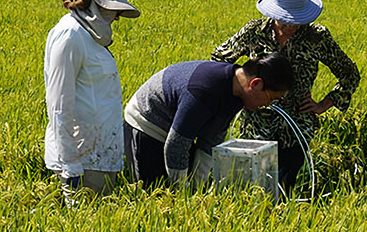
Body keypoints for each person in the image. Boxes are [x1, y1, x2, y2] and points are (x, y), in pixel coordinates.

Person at [211, 0, 360, 190]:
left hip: (297, 126)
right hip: (256, 126)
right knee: (252, 186)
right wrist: (242, 93)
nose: (291, 25)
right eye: (286, 20)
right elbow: (218, 61)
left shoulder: (317, 37)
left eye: (297, 20)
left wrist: (324, 104)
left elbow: (349, 73)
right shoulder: (254, 32)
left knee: (283, 187)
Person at [44, 0, 140, 206]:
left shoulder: (91, 37)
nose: (117, 17)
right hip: (80, 159)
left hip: (100, 156)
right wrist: (71, 168)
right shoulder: (70, 36)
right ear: (95, 3)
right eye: (113, 9)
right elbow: (58, 106)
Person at [123, 52, 294, 187]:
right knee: (155, 191)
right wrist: (182, 192)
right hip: (147, 122)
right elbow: (176, 145)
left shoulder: (237, 93)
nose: (268, 105)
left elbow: (210, 140)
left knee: (189, 181)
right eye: (271, 98)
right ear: (255, 84)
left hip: (177, 130)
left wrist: (197, 186)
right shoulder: (204, 91)